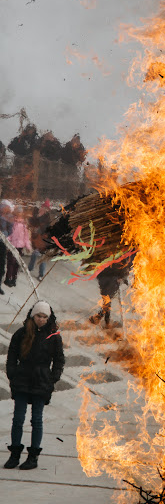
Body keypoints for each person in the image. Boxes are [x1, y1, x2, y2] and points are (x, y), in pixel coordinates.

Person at [4, 300, 65, 469]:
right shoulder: (21, 333)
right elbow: (12, 355)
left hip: (41, 382)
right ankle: (14, 454)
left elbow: (59, 359)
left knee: (36, 420)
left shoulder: (53, 336)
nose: (41, 319)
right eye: (39, 315)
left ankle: (33, 457)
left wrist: (52, 378)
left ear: (49, 318)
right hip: (22, 380)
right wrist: (12, 374)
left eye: (45, 317)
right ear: (33, 315)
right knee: (18, 419)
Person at [5, 207, 32, 287]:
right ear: (16, 213)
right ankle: (8, 279)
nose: (20, 214)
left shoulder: (24, 225)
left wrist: (28, 246)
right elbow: (10, 234)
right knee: (11, 262)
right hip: (12, 245)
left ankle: (13, 279)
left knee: (17, 263)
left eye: (21, 213)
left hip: (20, 246)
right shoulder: (12, 222)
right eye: (18, 212)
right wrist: (6, 240)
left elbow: (26, 237)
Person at [0, 200, 14, 295]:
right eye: (3, 207)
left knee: (1, 266)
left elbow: (10, 231)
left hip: (2, 243)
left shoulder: (9, 218)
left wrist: (5, 232)